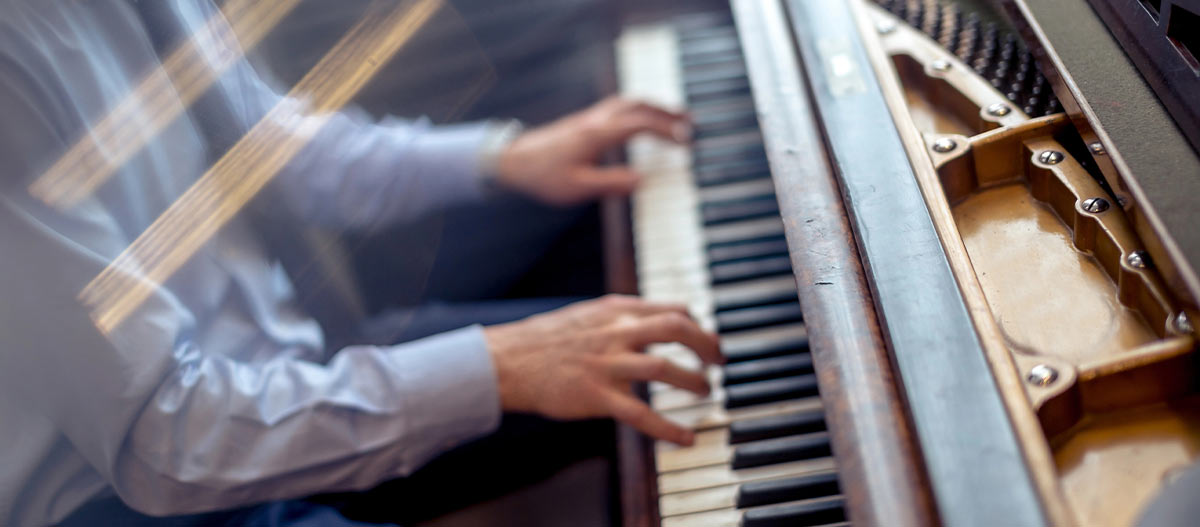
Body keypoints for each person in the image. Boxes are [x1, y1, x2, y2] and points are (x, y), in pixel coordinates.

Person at [0, 1, 719, 526]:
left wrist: (501, 156)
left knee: (654, 362)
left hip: (285, 371)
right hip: (139, 500)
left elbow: (270, 145)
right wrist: (501, 365)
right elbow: (166, 442)